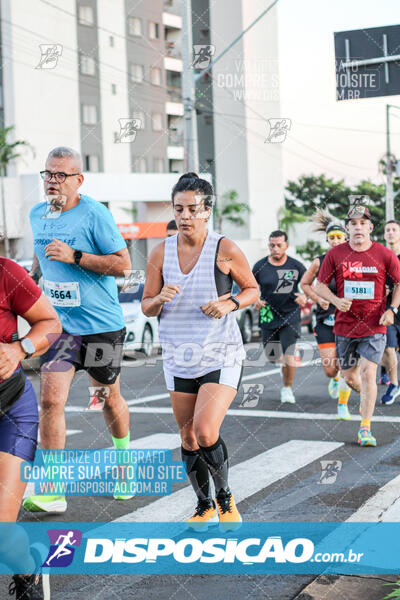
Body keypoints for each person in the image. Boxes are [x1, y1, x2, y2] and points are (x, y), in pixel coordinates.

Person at [142, 172, 259, 530]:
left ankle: (225, 498)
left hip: (220, 354)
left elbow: (252, 288)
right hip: (179, 356)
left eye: (193, 208)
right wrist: (158, 298)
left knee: (206, 430)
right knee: (188, 435)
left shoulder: (224, 248)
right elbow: (146, 306)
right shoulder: (161, 251)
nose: (185, 215)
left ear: (207, 210)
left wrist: (231, 304)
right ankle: (203, 504)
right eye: (179, 208)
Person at [24, 146, 132, 514]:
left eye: (60, 175)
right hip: (61, 327)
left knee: (107, 399)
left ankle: (123, 463)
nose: (52, 181)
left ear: (78, 180)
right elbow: (40, 258)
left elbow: (124, 266)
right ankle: (52, 490)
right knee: (50, 401)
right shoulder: (37, 214)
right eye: (48, 174)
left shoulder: (95, 215)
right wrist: (29, 283)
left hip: (102, 326)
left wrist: (76, 257)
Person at [0, 257, 61, 599]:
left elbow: (50, 322)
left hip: (9, 410)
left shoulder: (6, 272)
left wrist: (19, 348)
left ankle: (29, 570)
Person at [316, 204, 400, 446]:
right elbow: (321, 285)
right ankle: (368, 398)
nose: (358, 227)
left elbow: (398, 284)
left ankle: (365, 428)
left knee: (368, 373)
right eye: (353, 224)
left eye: (363, 223)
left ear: (371, 227)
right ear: (348, 228)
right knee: (350, 377)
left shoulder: (385, 254)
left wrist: (392, 310)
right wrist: (335, 300)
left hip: (375, 325)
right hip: (345, 327)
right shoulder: (336, 254)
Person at [300, 210, 352, 419]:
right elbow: (304, 283)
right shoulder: (319, 262)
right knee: (331, 369)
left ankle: (342, 406)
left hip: (348, 320)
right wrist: (317, 298)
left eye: (339, 237)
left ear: (346, 238)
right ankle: (334, 379)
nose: (336, 241)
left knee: (347, 365)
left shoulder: (354, 260)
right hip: (325, 321)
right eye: (332, 238)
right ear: (327, 240)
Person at [252, 230, 307, 404]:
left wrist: (306, 296)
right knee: (272, 356)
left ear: (286, 246)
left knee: (289, 354)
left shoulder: (296, 266)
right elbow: (250, 288)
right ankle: (283, 363)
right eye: (272, 245)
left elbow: (309, 285)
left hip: (290, 314)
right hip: (268, 314)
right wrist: (256, 300)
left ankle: (287, 388)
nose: (275, 248)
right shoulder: (260, 266)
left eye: (279, 245)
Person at [381, 220, 400, 404]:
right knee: (388, 348)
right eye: (388, 230)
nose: (391, 233)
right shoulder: (382, 258)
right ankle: (394, 384)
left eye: (394, 229)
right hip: (388, 312)